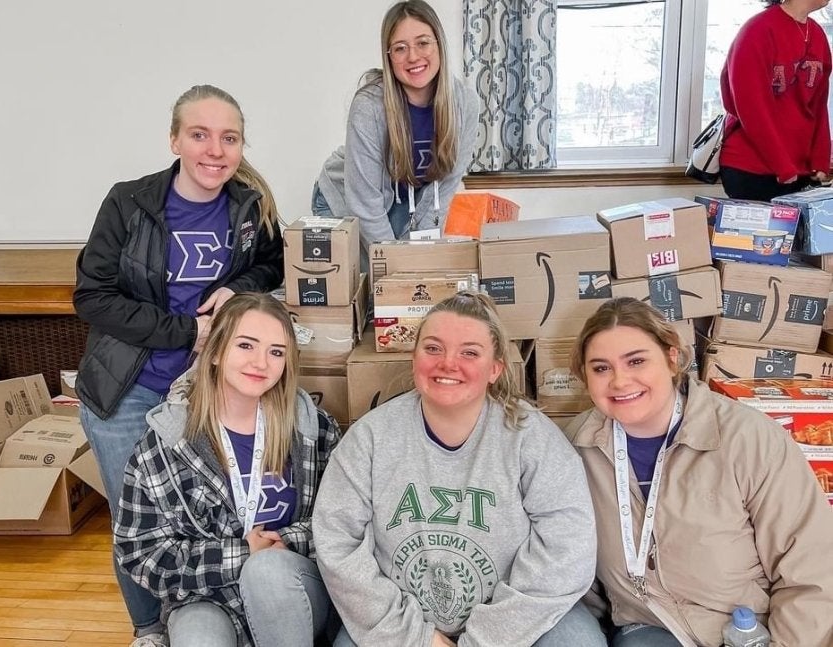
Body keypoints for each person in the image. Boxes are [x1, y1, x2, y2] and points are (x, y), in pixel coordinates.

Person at [73, 84, 284, 646]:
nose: (215, 150)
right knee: (137, 526)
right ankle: (150, 631)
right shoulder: (129, 202)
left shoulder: (250, 203)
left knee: (201, 519)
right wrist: (186, 329)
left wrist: (237, 286)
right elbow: (92, 296)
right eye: (200, 135)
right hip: (128, 391)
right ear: (174, 140)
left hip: (206, 393)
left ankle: (206, 621)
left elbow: (271, 265)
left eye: (229, 138)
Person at [314, 291, 606, 647]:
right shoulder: (370, 438)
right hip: (400, 626)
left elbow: (566, 552)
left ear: (495, 368)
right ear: (414, 357)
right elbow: (338, 542)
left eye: (469, 352)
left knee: (577, 640)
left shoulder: (532, 440)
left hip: (515, 625)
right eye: (433, 348)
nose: (448, 363)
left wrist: (485, 639)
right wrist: (417, 638)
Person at [566, 297, 833, 647]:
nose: (619, 380)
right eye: (601, 368)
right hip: (649, 626)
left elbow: (812, 568)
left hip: (749, 630)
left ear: (672, 357)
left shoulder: (748, 438)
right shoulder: (574, 447)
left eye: (636, 361)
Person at [113, 292, 339, 647]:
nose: (261, 363)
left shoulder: (313, 430)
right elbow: (140, 551)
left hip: (290, 587)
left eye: (276, 352)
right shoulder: (166, 442)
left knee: (266, 572)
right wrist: (241, 552)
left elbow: (344, 522)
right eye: (246, 346)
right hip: (206, 597)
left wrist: (283, 543)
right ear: (215, 351)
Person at [312, 0, 478, 266]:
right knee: (375, 293)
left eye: (423, 43)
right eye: (400, 48)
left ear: (439, 44)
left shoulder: (465, 103)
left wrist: (420, 255)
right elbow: (364, 203)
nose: (413, 56)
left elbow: (446, 185)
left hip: (408, 204)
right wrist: (398, 266)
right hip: (346, 203)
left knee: (413, 285)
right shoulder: (369, 105)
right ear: (389, 56)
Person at [719, 0, 832, 202]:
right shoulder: (757, 30)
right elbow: (751, 109)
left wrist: (821, 160)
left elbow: (819, 105)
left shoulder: (817, 34)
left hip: (800, 171)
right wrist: (783, 166)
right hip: (753, 169)